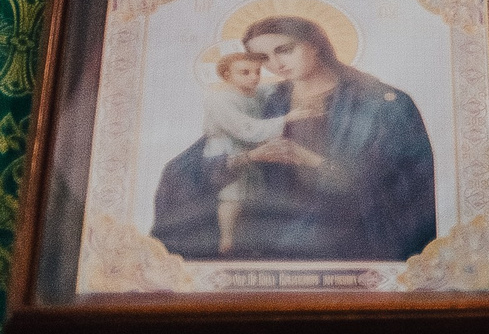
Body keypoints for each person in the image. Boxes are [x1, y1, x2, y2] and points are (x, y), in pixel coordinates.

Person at [151, 15, 436, 263]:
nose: (276, 64)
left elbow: (400, 185)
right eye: (263, 58)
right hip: (269, 227)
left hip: (347, 234)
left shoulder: (382, 103)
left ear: (314, 44)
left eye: (285, 50)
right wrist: (249, 158)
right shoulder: (265, 101)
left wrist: (309, 159)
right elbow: (189, 167)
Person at [200, 49, 284, 255]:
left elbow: (271, 88)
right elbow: (246, 129)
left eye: (257, 72)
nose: (254, 77)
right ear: (227, 75)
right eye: (245, 72)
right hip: (225, 152)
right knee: (233, 196)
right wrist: (288, 119)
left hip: (248, 150)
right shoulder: (220, 99)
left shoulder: (251, 92)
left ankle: (246, 241)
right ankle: (226, 240)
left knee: (251, 195)